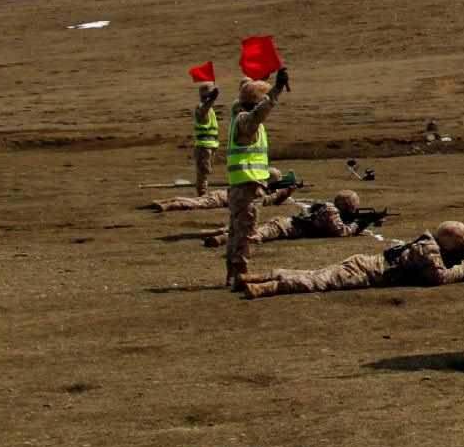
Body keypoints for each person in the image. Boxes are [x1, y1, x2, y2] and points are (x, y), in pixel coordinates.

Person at [237, 221, 464, 298]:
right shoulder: (429, 253)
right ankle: (265, 287)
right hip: (365, 272)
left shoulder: (426, 243)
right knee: (316, 282)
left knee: (314, 273)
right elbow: (438, 277)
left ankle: (257, 277)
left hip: (364, 263)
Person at [223, 69, 289, 289]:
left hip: (243, 186)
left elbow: (250, 102)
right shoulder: (246, 122)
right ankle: (240, 276)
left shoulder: (238, 116)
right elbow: (258, 114)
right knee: (244, 234)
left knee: (236, 232)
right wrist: (275, 91)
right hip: (246, 187)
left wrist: (263, 83)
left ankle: (233, 275)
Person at [200, 189, 370, 247]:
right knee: (255, 236)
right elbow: (340, 232)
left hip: (285, 223)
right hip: (284, 227)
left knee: (252, 231)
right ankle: (221, 239)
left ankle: (219, 236)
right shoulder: (332, 212)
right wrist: (358, 225)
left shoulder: (327, 207)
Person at [149, 172, 297, 212]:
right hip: (222, 198)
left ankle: (165, 201)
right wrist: (283, 193)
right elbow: (265, 201)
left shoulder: (254, 184)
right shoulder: (259, 191)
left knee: (196, 201)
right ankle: (167, 205)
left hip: (223, 194)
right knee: (197, 204)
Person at [190, 83, 224, 194]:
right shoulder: (201, 108)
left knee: (205, 172)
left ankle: (202, 193)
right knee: (202, 174)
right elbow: (203, 110)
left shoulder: (210, 109)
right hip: (203, 147)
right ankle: (202, 195)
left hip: (210, 146)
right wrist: (212, 99)